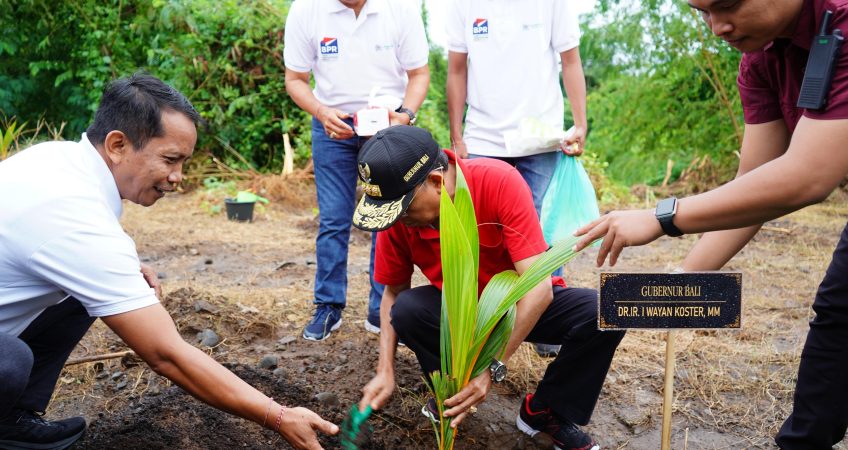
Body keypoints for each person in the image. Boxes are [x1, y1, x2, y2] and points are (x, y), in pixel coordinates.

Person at [573, 0, 848, 448]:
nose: (717, 28)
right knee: (843, 310)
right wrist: (677, 286)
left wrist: (663, 217)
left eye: (728, 6)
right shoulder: (761, 58)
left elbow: (809, 177)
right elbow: (753, 189)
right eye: (702, 13)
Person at [0, 73, 338, 450]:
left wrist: (126, 265)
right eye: (170, 160)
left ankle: (11, 422)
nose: (178, 177)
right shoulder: (71, 214)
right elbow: (165, 354)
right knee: (7, 361)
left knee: (83, 296)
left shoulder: (58, 159)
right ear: (117, 145)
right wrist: (277, 415)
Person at [351, 126, 624, 450]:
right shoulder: (398, 220)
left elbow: (538, 290)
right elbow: (393, 294)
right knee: (408, 310)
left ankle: (545, 410)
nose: (398, 220)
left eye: (404, 209)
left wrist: (492, 369)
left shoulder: (497, 182)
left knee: (609, 309)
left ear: (437, 182)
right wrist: (386, 370)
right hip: (459, 314)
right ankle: (452, 390)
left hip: (521, 303)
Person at [445, 0, 589, 357]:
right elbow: (457, 69)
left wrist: (581, 123)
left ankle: (544, 323)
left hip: (540, 138)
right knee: (478, 233)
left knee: (540, 233)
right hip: (481, 138)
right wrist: (457, 136)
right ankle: (483, 323)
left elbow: (570, 60)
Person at [283, 0, 430, 341]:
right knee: (334, 219)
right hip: (332, 126)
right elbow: (295, 79)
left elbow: (419, 73)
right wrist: (321, 112)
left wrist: (405, 114)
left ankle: (381, 308)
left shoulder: (400, 8)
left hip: (388, 124)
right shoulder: (306, 9)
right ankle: (328, 306)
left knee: (387, 218)